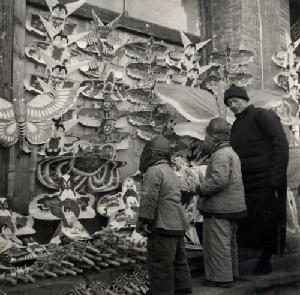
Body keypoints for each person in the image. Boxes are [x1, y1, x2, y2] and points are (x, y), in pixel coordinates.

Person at [224, 84, 289, 275]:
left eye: (235, 101)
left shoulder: (263, 115)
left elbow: (280, 145)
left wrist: (275, 178)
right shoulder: (236, 124)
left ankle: (265, 261)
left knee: (269, 221)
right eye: (229, 103)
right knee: (252, 221)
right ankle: (254, 259)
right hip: (247, 182)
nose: (233, 105)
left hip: (267, 180)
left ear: (245, 99)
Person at [136, 136, 192, 295]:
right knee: (180, 261)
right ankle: (183, 290)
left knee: (161, 264)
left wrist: (143, 222)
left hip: (162, 225)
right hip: (178, 224)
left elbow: (149, 198)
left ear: (152, 154)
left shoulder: (154, 171)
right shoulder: (170, 171)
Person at [196, 118, 247, 288]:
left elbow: (219, 180)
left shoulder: (219, 155)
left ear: (215, 137)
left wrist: (200, 188)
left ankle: (221, 279)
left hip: (220, 209)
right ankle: (232, 274)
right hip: (233, 207)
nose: (206, 139)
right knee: (229, 243)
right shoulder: (232, 152)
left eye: (208, 135)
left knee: (217, 244)